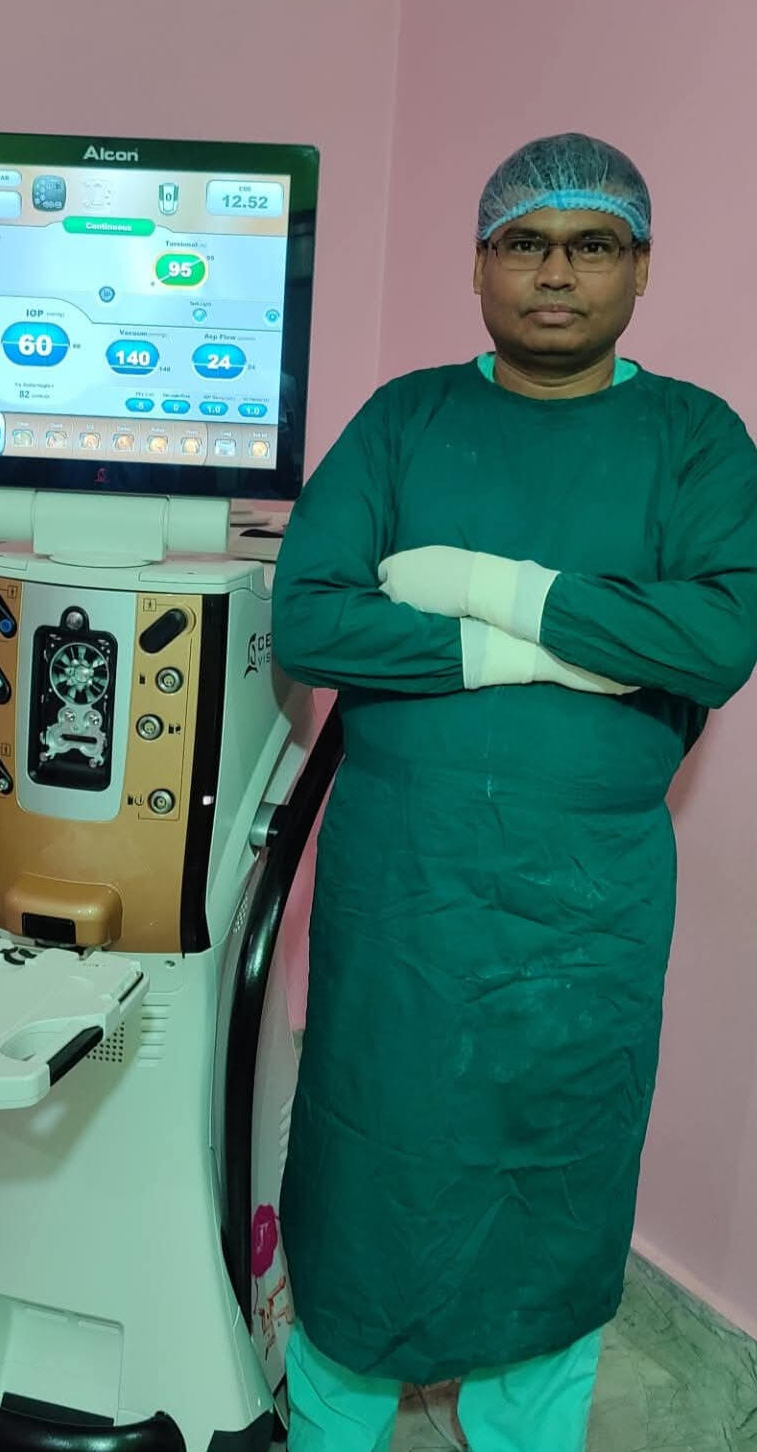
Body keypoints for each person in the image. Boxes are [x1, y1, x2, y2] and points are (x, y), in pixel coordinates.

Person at [272, 133, 757, 1452]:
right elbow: (310, 619)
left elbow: (714, 642)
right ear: (480, 264)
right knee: (373, 1154)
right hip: (403, 880)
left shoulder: (695, 439)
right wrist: (566, 649)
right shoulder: (405, 420)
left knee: (560, 1164)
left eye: (592, 245)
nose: (556, 272)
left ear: (640, 269)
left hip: (589, 898)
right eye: (525, 243)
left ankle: (521, 1424)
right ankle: (336, 1416)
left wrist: (481, 587)